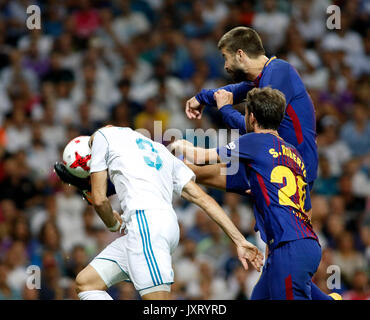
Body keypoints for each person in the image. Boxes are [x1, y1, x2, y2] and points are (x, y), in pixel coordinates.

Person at [183, 26, 340, 300]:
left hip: (286, 168)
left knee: (193, 169)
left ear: (240, 54)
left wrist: (223, 111)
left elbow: (254, 131)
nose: (225, 64)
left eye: (226, 57)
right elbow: (233, 92)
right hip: (274, 165)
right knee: (278, 261)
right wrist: (202, 98)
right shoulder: (265, 76)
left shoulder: (279, 73)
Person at [55, 125, 263, 300]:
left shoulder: (101, 138)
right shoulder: (158, 150)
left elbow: (100, 200)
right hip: (162, 226)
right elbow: (204, 199)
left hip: (145, 226)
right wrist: (239, 240)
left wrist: (113, 224)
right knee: (87, 283)